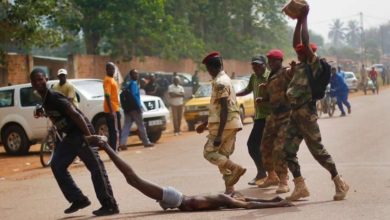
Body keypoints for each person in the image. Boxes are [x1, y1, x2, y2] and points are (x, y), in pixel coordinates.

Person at [85, 135, 293, 211]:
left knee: (133, 181)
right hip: (177, 198)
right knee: (134, 180)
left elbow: (247, 201)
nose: (238, 197)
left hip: (177, 200)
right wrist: (278, 203)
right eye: (237, 196)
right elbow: (249, 204)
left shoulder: (224, 200)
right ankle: (104, 145)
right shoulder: (223, 198)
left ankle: (104, 145)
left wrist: (275, 201)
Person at [30, 68, 119, 216]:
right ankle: (78, 199)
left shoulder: (54, 96)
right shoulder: (45, 99)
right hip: (71, 136)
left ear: (46, 79)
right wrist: (43, 112)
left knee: (96, 168)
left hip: (81, 131)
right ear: (32, 84)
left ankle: (110, 204)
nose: (38, 83)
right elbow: (59, 115)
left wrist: (89, 136)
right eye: (35, 81)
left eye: (40, 79)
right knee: (57, 165)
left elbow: (76, 114)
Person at [283, 5, 349, 201]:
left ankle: (340, 182)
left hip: (306, 113)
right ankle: (300, 186)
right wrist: (297, 22)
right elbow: (297, 41)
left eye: (303, 50)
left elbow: (303, 40)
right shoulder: (301, 65)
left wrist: (304, 18)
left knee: (317, 151)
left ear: (310, 53)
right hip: (295, 113)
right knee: (287, 150)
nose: (299, 50)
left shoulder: (314, 64)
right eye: (299, 50)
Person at [196, 52, 246, 195]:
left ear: (212, 67)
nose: (208, 72)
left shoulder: (220, 83)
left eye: (208, 68)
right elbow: (220, 108)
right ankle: (230, 190)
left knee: (209, 153)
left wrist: (218, 135)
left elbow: (224, 109)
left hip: (223, 125)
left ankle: (235, 169)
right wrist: (205, 123)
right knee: (223, 156)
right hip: (231, 123)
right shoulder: (226, 79)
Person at [256, 49, 292, 194]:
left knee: (279, 149)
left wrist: (294, 68)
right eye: (269, 61)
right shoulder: (271, 76)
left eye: (273, 61)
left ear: (280, 61)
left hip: (285, 116)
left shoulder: (285, 72)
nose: (270, 64)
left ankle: (283, 180)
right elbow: (274, 95)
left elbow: (292, 74)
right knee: (265, 146)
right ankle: (272, 176)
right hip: (273, 116)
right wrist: (263, 99)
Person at [236, 55, 270, 186]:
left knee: (269, 147)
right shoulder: (254, 77)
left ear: (264, 64)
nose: (255, 67)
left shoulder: (269, 77)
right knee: (253, 145)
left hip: (270, 117)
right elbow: (248, 89)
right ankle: (262, 172)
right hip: (259, 117)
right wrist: (234, 94)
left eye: (258, 65)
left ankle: (276, 175)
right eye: (253, 65)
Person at [119, 69, 154, 150]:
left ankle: (122, 143)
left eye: (137, 74)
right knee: (141, 125)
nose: (137, 75)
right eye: (135, 74)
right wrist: (138, 107)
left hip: (127, 108)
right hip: (135, 108)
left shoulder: (127, 84)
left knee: (127, 126)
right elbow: (135, 96)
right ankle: (146, 142)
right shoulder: (134, 83)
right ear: (131, 75)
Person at [104, 62, 121, 151]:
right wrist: (111, 111)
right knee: (114, 131)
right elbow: (107, 95)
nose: (112, 70)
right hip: (112, 109)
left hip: (115, 108)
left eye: (113, 69)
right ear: (106, 70)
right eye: (110, 69)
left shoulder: (112, 79)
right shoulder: (108, 80)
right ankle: (114, 150)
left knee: (114, 130)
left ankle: (115, 149)